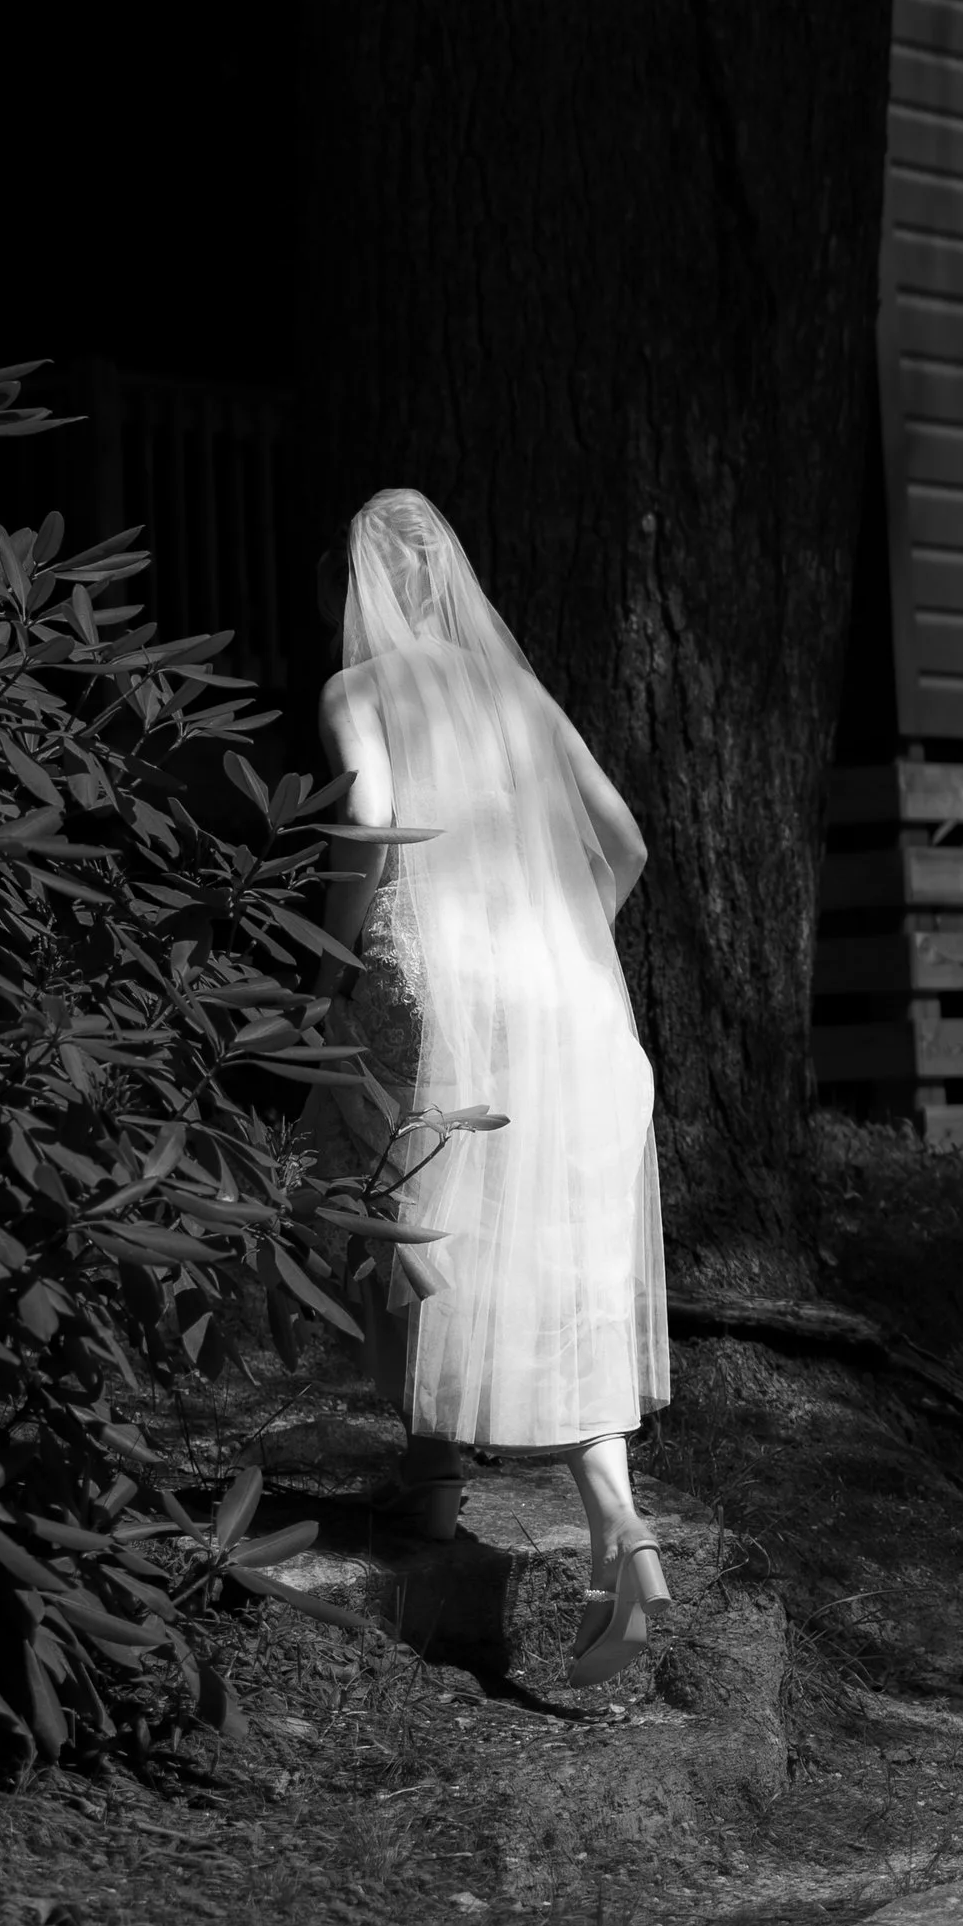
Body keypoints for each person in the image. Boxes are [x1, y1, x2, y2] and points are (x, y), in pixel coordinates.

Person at [304, 487, 672, 1693]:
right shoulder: (517, 692)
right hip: (570, 1002)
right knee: (550, 1258)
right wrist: (570, 944)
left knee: (400, 1204)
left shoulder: (359, 694)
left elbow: (366, 820)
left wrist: (331, 957)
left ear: (360, 590)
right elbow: (622, 842)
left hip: (443, 989)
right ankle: (617, 1522)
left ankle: (432, 1483)